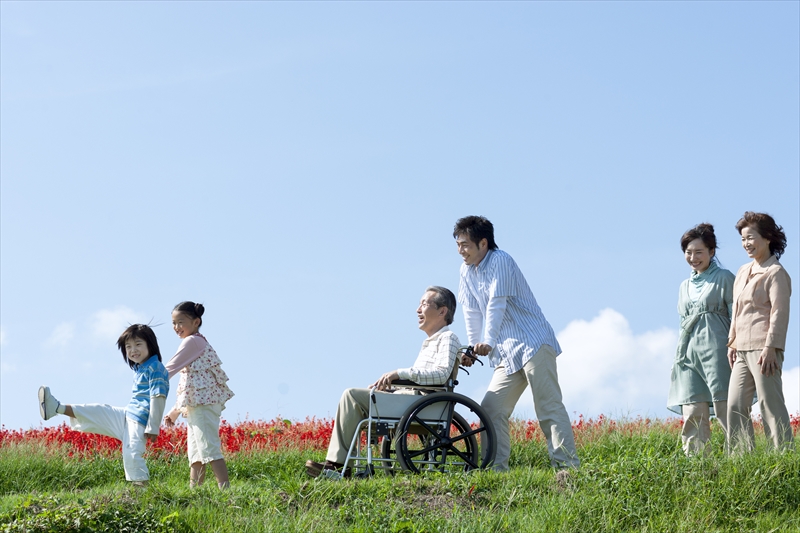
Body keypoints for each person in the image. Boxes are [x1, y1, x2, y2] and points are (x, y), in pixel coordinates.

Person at [454, 216, 579, 470]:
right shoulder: (466, 271)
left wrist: (486, 342)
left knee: (548, 407)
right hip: (506, 354)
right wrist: (473, 347)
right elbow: (471, 312)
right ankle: (496, 470)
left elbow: (496, 304)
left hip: (533, 342)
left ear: (483, 243)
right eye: (458, 244)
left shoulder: (501, 260)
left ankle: (567, 469)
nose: (461, 250)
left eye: (465, 244)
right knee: (491, 409)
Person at [305, 286, 461, 478]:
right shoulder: (430, 341)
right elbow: (421, 378)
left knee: (351, 395)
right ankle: (340, 465)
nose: (417, 309)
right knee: (360, 399)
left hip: (424, 404)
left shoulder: (448, 338)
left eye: (424, 304)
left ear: (442, 311)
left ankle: (338, 466)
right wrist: (391, 387)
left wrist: (398, 373)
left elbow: (441, 375)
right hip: (414, 400)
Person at [38, 324, 169, 486]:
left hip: (140, 420)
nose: (133, 350)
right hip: (129, 414)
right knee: (98, 411)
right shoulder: (140, 368)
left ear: (150, 344)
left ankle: (143, 494)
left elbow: (158, 397)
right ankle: (56, 408)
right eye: (128, 347)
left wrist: (153, 426)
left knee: (132, 454)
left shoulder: (156, 368)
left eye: (138, 344)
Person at [727, 212, 794, 452]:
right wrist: (731, 343)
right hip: (741, 349)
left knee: (769, 404)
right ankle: (740, 460)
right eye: (743, 239)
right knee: (735, 405)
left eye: (751, 237)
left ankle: (782, 457)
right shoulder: (743, 271)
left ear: (767, 237)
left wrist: (771, 348)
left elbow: (779, 313)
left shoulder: (776, 272)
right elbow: (736, 310)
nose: (746, 243)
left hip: (764, 349)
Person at [667, 223, 736, 455]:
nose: (693, 257)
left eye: (699, 252)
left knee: (725, 406)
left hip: (718, 349)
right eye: (688, 252)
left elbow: (737, 314)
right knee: (693, 410)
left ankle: (739, 460)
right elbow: (681, 323)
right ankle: (696, 464)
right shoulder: (684, 286)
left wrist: (735, 344)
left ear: (712, 252)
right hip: (688, 354)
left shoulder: (725, 277)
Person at [163, 302, 234, 489]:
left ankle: (225, 490)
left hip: (203, 404)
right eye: (173, 323)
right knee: (196, 452)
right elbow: (188, 386)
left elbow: (170, 368)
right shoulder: (195, 341)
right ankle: (195, 492)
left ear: (196, 322)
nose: (176, 327)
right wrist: (175, 411)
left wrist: (152, 379)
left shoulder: (192, 341)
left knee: (208, 447)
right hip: (198, 404)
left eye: (181, 322)